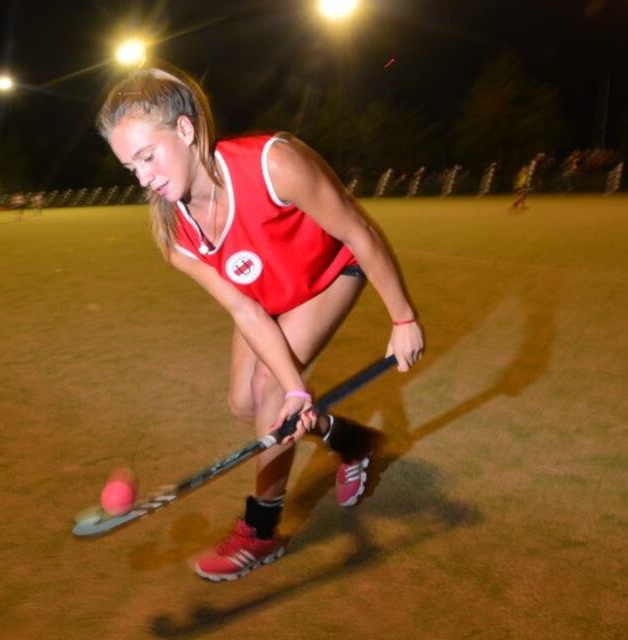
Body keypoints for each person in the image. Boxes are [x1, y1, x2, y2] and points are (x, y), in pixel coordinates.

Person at [97, 66, 424, 582]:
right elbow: (245, 310)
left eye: (147, 156)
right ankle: (351, 442)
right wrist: (299, 392)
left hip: (331, 271)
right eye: (129, 167)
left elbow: (358, 229)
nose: (143, 178)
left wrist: (402, 315)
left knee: (270, 391)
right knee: (247, 403)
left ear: (185, 130)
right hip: (265, 298)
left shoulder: (274, 164)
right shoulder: (176, 236)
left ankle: (260, 531)